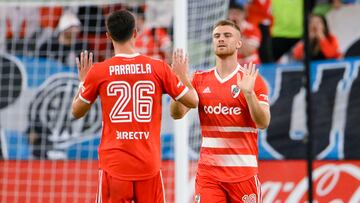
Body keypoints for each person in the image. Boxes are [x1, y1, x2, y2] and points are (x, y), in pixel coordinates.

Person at [71, 10, 198, 203]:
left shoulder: (99, 71)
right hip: (148, 164)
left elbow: (76, 111)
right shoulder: (158, 68)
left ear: (108, 36)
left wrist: (83, 82)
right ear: (135, 33)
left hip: (114, 166)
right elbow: (192, 101)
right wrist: (181, 77)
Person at [170, 20, 270, 202]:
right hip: (209, 175)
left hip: (243, 174)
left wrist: (249, 94)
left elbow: (263, 122)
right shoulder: (199, 79)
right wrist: (180, 84)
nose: (221, 39)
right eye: (217, 36)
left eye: (227, 35)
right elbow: (177, 113)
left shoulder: (252, 80)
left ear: (239, 42)